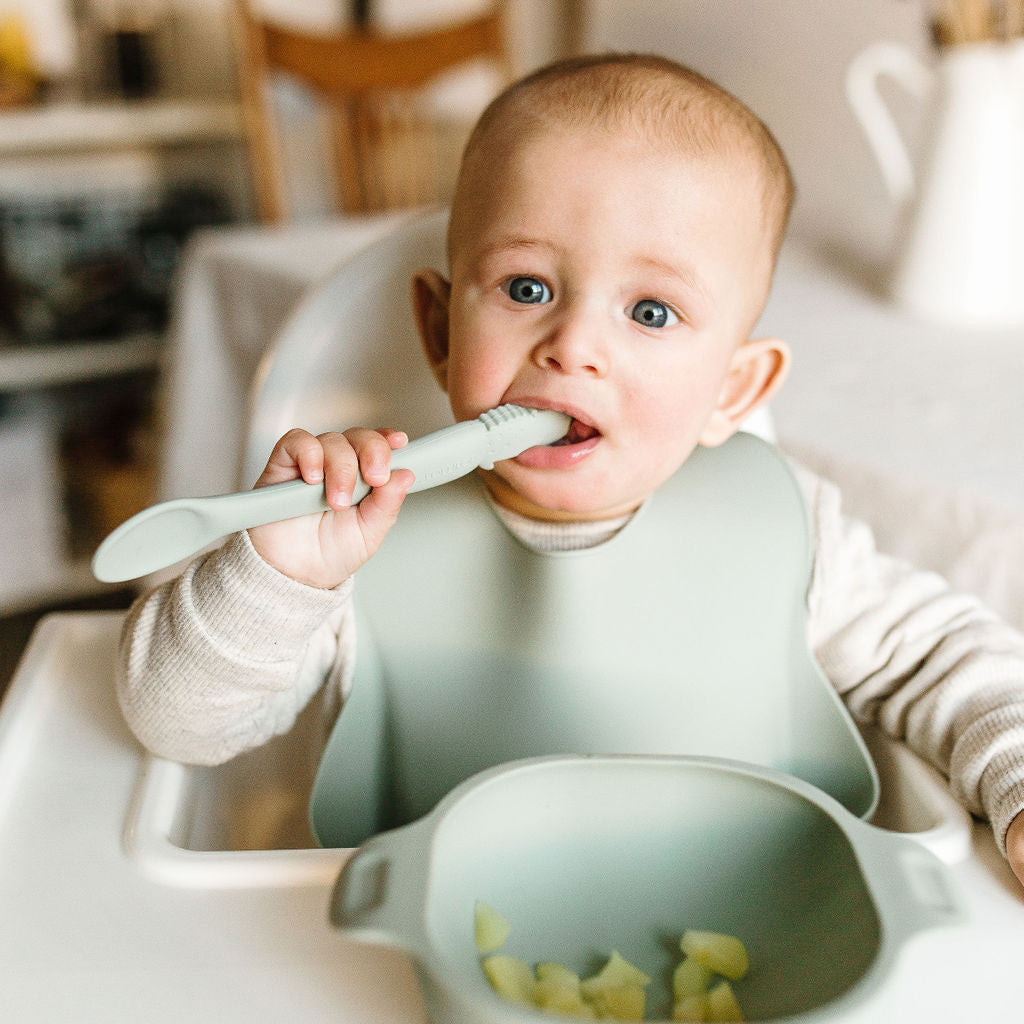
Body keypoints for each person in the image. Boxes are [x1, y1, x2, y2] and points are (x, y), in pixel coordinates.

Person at [118, 54, 1024, 882]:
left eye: (653, 312)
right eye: (527, 289)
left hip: (753, 943)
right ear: (438, 334)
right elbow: (175, 725)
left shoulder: (792, 531)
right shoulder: (353, 550)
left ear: (734, 390)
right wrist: (277, 574)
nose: (574, 345)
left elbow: (950, 661)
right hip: (415, 956)